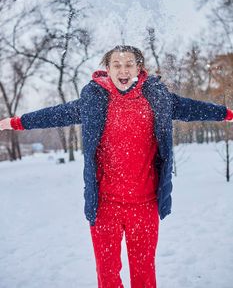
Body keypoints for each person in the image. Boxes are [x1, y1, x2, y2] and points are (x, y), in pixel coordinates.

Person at [0, 45, 233, 288]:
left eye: (129, 64)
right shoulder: (94, 100)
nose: (123, 70)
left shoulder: (158, 98)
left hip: (145, 206)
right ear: (107, 69)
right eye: (117, 65)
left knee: (144, 276)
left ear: (139, 68)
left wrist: (227, 114)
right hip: (105, 207)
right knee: (108, 277)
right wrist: (17, 122)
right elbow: (57, 114)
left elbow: (193, 108)